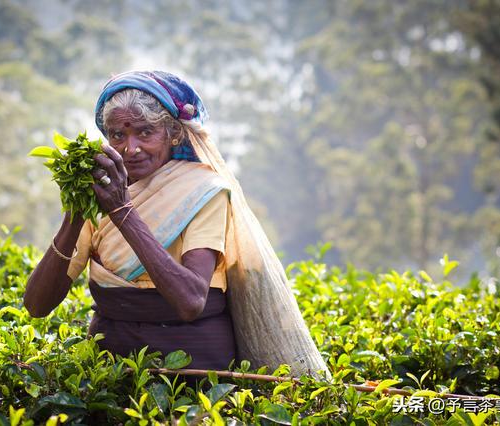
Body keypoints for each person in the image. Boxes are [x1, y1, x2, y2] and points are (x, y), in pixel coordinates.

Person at [24, 70, 331, 379]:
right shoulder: (102, 193)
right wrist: (75, 213)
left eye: (145, 132)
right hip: (111, 371)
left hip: (193, 371)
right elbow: (37, 305)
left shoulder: (202, 192)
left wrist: (121, 210)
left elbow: (191, 301)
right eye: (118, 135)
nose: (130, 148)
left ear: (173, 134)